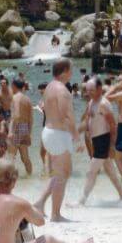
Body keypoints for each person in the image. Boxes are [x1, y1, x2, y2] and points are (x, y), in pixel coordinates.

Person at [0, 159, 93, 243]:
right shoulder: (18, 203)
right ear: (14, 180)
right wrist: (27, 211)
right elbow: (40, 221)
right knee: (47, 240)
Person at [34, 58, 82, 222]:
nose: (72, 72)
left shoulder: (49, 87)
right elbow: (66, 116)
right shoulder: (62, 90)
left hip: (48, 132)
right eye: (71, 69)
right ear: (65, 71)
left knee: (58, 174)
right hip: (58, 135)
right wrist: (77, 137)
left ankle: (40, 203)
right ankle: (55, 214)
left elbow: (45, 107)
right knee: (63, 174)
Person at [79, 78, 122, 205]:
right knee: (111, 172)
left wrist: (111, 146)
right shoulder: (91, 102)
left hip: (103, 140)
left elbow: (113, 125)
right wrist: (77, 136)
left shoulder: (103, 104)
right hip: (96, 140)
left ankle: (82, 201)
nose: (89, 93)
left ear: (100, 89)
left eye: (92, 90)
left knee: (91, 172)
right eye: (87, 90)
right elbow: (87, 122)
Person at [8, 78, 33, 175]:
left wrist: (11, 131)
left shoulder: (15, 98)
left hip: (16, 128)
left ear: (14, 86)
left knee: (11, 157)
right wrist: (29, 133)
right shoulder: (27, 99)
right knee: (25, 157)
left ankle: (9, 179)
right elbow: (31, 118)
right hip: (25, 128)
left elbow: (16, 115)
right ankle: (30, 177)